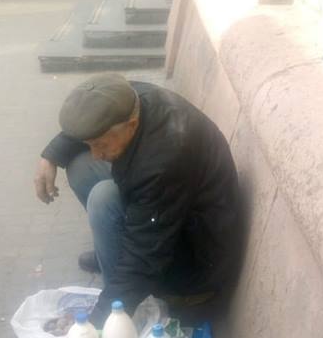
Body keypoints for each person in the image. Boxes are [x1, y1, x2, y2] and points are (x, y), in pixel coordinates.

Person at [34, 74, 242, 325]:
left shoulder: (165, 159)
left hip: (194, 264)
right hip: (168, 212)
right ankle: (114, 257)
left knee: (103, 199)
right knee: (81, 166)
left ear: (131, 124)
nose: (96, 153)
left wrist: (100, 325)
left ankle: (124, 309)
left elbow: (144, 254)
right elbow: (90, 124)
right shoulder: (128, 98)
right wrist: (51, 156)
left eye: (100, 144)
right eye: (91, 143)